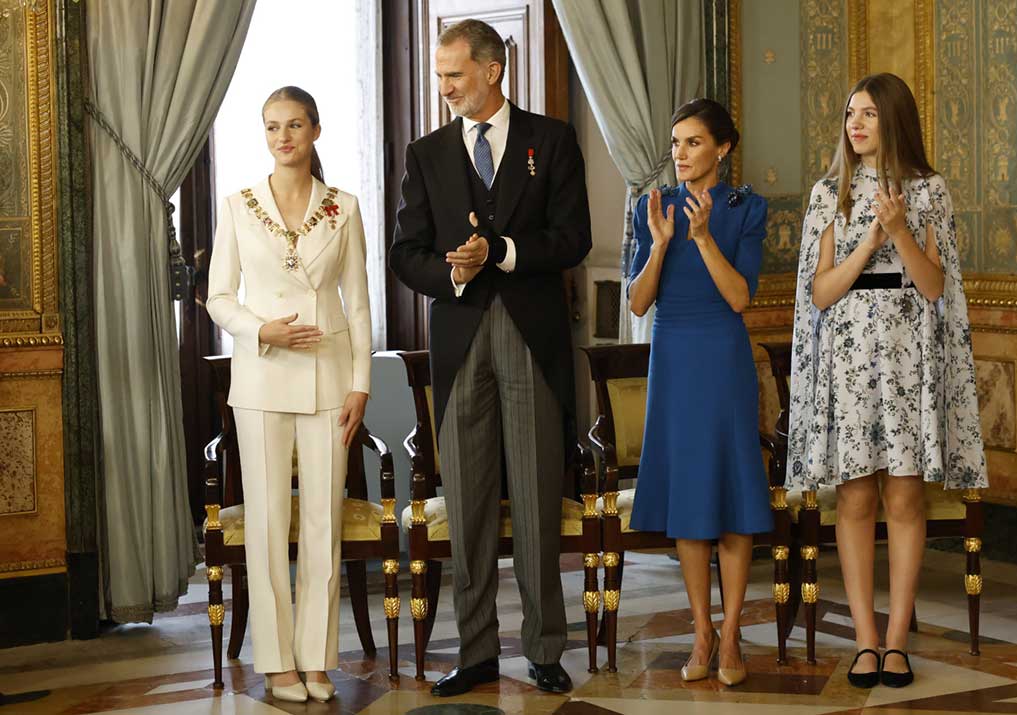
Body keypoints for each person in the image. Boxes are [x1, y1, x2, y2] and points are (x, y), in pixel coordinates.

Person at [389, 18, 591, 697]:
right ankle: (474, 649)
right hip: (458, 339)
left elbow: (573, 238)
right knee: (468, 503)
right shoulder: (427, 153)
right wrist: (455, 269)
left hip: (532, 335)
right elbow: (404, 253)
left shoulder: (551, 141)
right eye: (439, 75)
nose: (443, 87)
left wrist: (500, 252)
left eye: (454, 74)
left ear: (492, 71)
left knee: (535, 496)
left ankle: (543, 647)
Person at [786, 73, 987, 689]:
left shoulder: (930, 190)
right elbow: (818, 294)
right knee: (854, 498)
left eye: (869, 113)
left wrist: (898, 230)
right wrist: (868, 240)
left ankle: (897, 642)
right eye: (851, 113)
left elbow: (935, 288)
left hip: (907, 360)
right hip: (847, 361)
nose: (856, 123)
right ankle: (865, 643)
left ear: (893, 118)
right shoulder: (828, 193)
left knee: (903, 497)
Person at [206, 86, 372, 704]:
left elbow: (357, 302)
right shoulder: (239, 205)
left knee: (325, 520)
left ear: (316, 131)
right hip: (262, 374)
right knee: (269, 520)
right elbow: (218, 296)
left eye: (295, 125)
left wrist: (362, 383)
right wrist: (260, 329)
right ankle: (277, 661)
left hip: (330, 378)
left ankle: (317, 658)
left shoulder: (345, 207)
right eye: (273, 126)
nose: (283, 136)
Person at [626, 98, 773, 686]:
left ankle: (733, 634)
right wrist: (661, 242)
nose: (680, 154)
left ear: (723, 148)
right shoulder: (651, 206)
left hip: (722, 356)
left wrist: (704, 236)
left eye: (692, 142)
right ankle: (702, 631)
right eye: (675, 143)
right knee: (691, 499)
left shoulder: (746, 209)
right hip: (674, 356)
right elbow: (638, 302)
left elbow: (740, 297)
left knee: (731, 496)